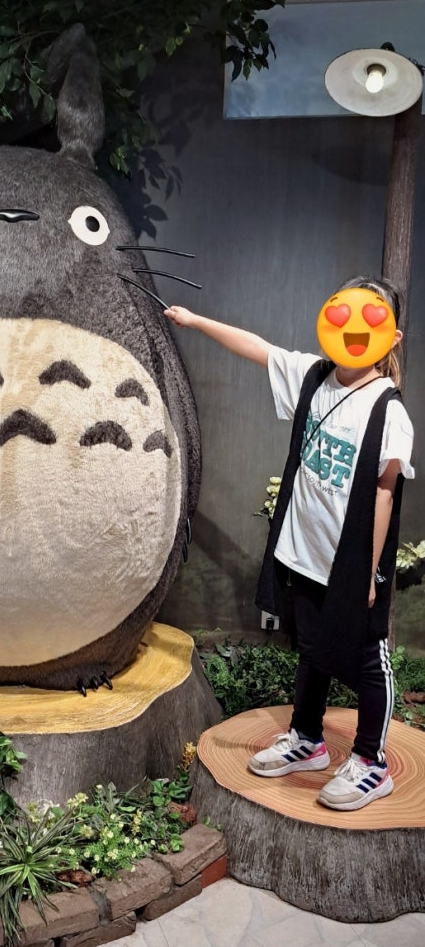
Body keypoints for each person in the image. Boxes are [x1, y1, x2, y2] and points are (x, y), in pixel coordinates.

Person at [165, 276, 415, 811]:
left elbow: (384, 494)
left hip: (349, 563)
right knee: (312, 648)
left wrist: (371, 572)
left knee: (369, 660)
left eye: (370, 317)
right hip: (304, 551)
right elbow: (257, 348)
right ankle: (307, 738)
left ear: (391, 337)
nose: (353, 327)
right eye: (345, 312)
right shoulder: (313, 375)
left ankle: (371, 763)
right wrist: (195, 320)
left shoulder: (388, 410)